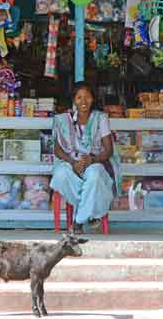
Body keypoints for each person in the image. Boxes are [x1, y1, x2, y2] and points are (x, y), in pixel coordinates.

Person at [50, 81, 120, 234]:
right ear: (74, 100)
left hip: (95, 160)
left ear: (93, 99)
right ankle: (91, 211)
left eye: (87, 97)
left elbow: (108, 150)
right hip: (71, 161)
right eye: (79, 97)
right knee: (61, 175)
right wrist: (73, 162)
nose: (83, 101)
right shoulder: (63, 120)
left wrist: (92, 160)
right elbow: (57, 149)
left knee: (94, 175)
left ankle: (78, 221)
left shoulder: (100, 118)